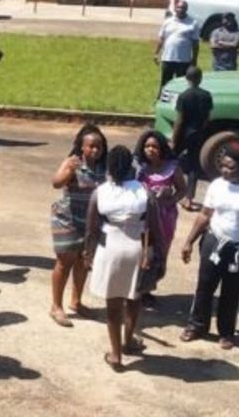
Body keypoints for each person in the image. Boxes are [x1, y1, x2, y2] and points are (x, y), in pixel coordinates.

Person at [180, 141, 239, 349]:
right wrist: (189, 241)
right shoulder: (217, 186)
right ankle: (196, 326)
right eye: (222, 165)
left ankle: (226, 332)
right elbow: (205, 215)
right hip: (214, 243)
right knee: (204, 286)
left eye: (230, 167)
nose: (224, 170)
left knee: (232, 291)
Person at [84, 145, 160, 371]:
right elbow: (154, 227)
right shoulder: (144, 191)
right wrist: (157, 255)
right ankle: (129, 341)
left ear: (109, 166)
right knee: (134, 297)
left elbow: (91, 229)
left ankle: (116, 354)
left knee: (113, 304)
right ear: (130, 166)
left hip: (110, 248)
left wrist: (88, 253)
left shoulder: (100, 192)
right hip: (137, 248)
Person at [50, 124, 107, 327]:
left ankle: (76, 301)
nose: (95, 150)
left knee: (83, 261)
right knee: (65, 262)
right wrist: (69, 172)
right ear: (82, 147)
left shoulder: (103, 168)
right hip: (68, 219)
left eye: (99, 146)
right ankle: (56, 306)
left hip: (91, 222)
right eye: (91, 146)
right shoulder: (72, 162)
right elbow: (56, 182)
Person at [134, 129, 186, 305]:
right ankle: (136, 287)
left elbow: (182, 189)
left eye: (154, 146)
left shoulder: (172, 168)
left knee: (159, 253)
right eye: (147, 146)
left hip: (165, 216)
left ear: (162, 148)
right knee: (142, 251)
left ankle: (148, 289)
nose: (150, 150)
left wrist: (171, 198)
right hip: (142, 216)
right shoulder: (138, 168)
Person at [172, 66, 213, 212]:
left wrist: (174, 139)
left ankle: (168, 189)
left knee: (171, 160)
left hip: (184, 133)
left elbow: (180, 120)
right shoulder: (206, 95)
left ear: (187, 79)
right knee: (194, 167)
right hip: (199, 133)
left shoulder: (184, 96)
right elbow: (208, 118)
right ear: (200, 78)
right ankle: (189, 198)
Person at [154, 0, 199, 88]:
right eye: (179, 7)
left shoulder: (193, 23)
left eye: (183, 8)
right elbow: (161, 39)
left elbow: (195, 44)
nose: (180, 9)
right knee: (165, 83)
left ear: (186, 9)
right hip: (168, 58)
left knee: (181, 84)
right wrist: (156, 53)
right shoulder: (168, 22)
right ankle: (163, 97)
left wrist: (194, 59)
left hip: (183, 60)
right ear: (175, 8)